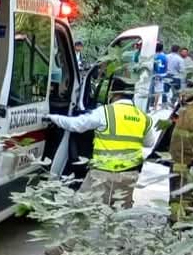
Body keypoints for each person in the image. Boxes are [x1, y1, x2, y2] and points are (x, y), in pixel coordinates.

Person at [47, 77, 156, 209]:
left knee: (83, 209)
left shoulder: (105, 112)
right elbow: (149, 143)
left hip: (103, 174)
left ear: (113, 94)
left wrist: (53, 117)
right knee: (119, 212)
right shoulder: (143, 117)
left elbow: (76, 125)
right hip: (130, 175)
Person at [150, 42, 167, 111]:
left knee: (150, 89)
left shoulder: (153, 56)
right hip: (161, 75)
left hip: (152, 74)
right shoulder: (164, 56)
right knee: (158, 91)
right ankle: (155, 106)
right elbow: (166, 67)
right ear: (162, 49)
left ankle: (149, 104)